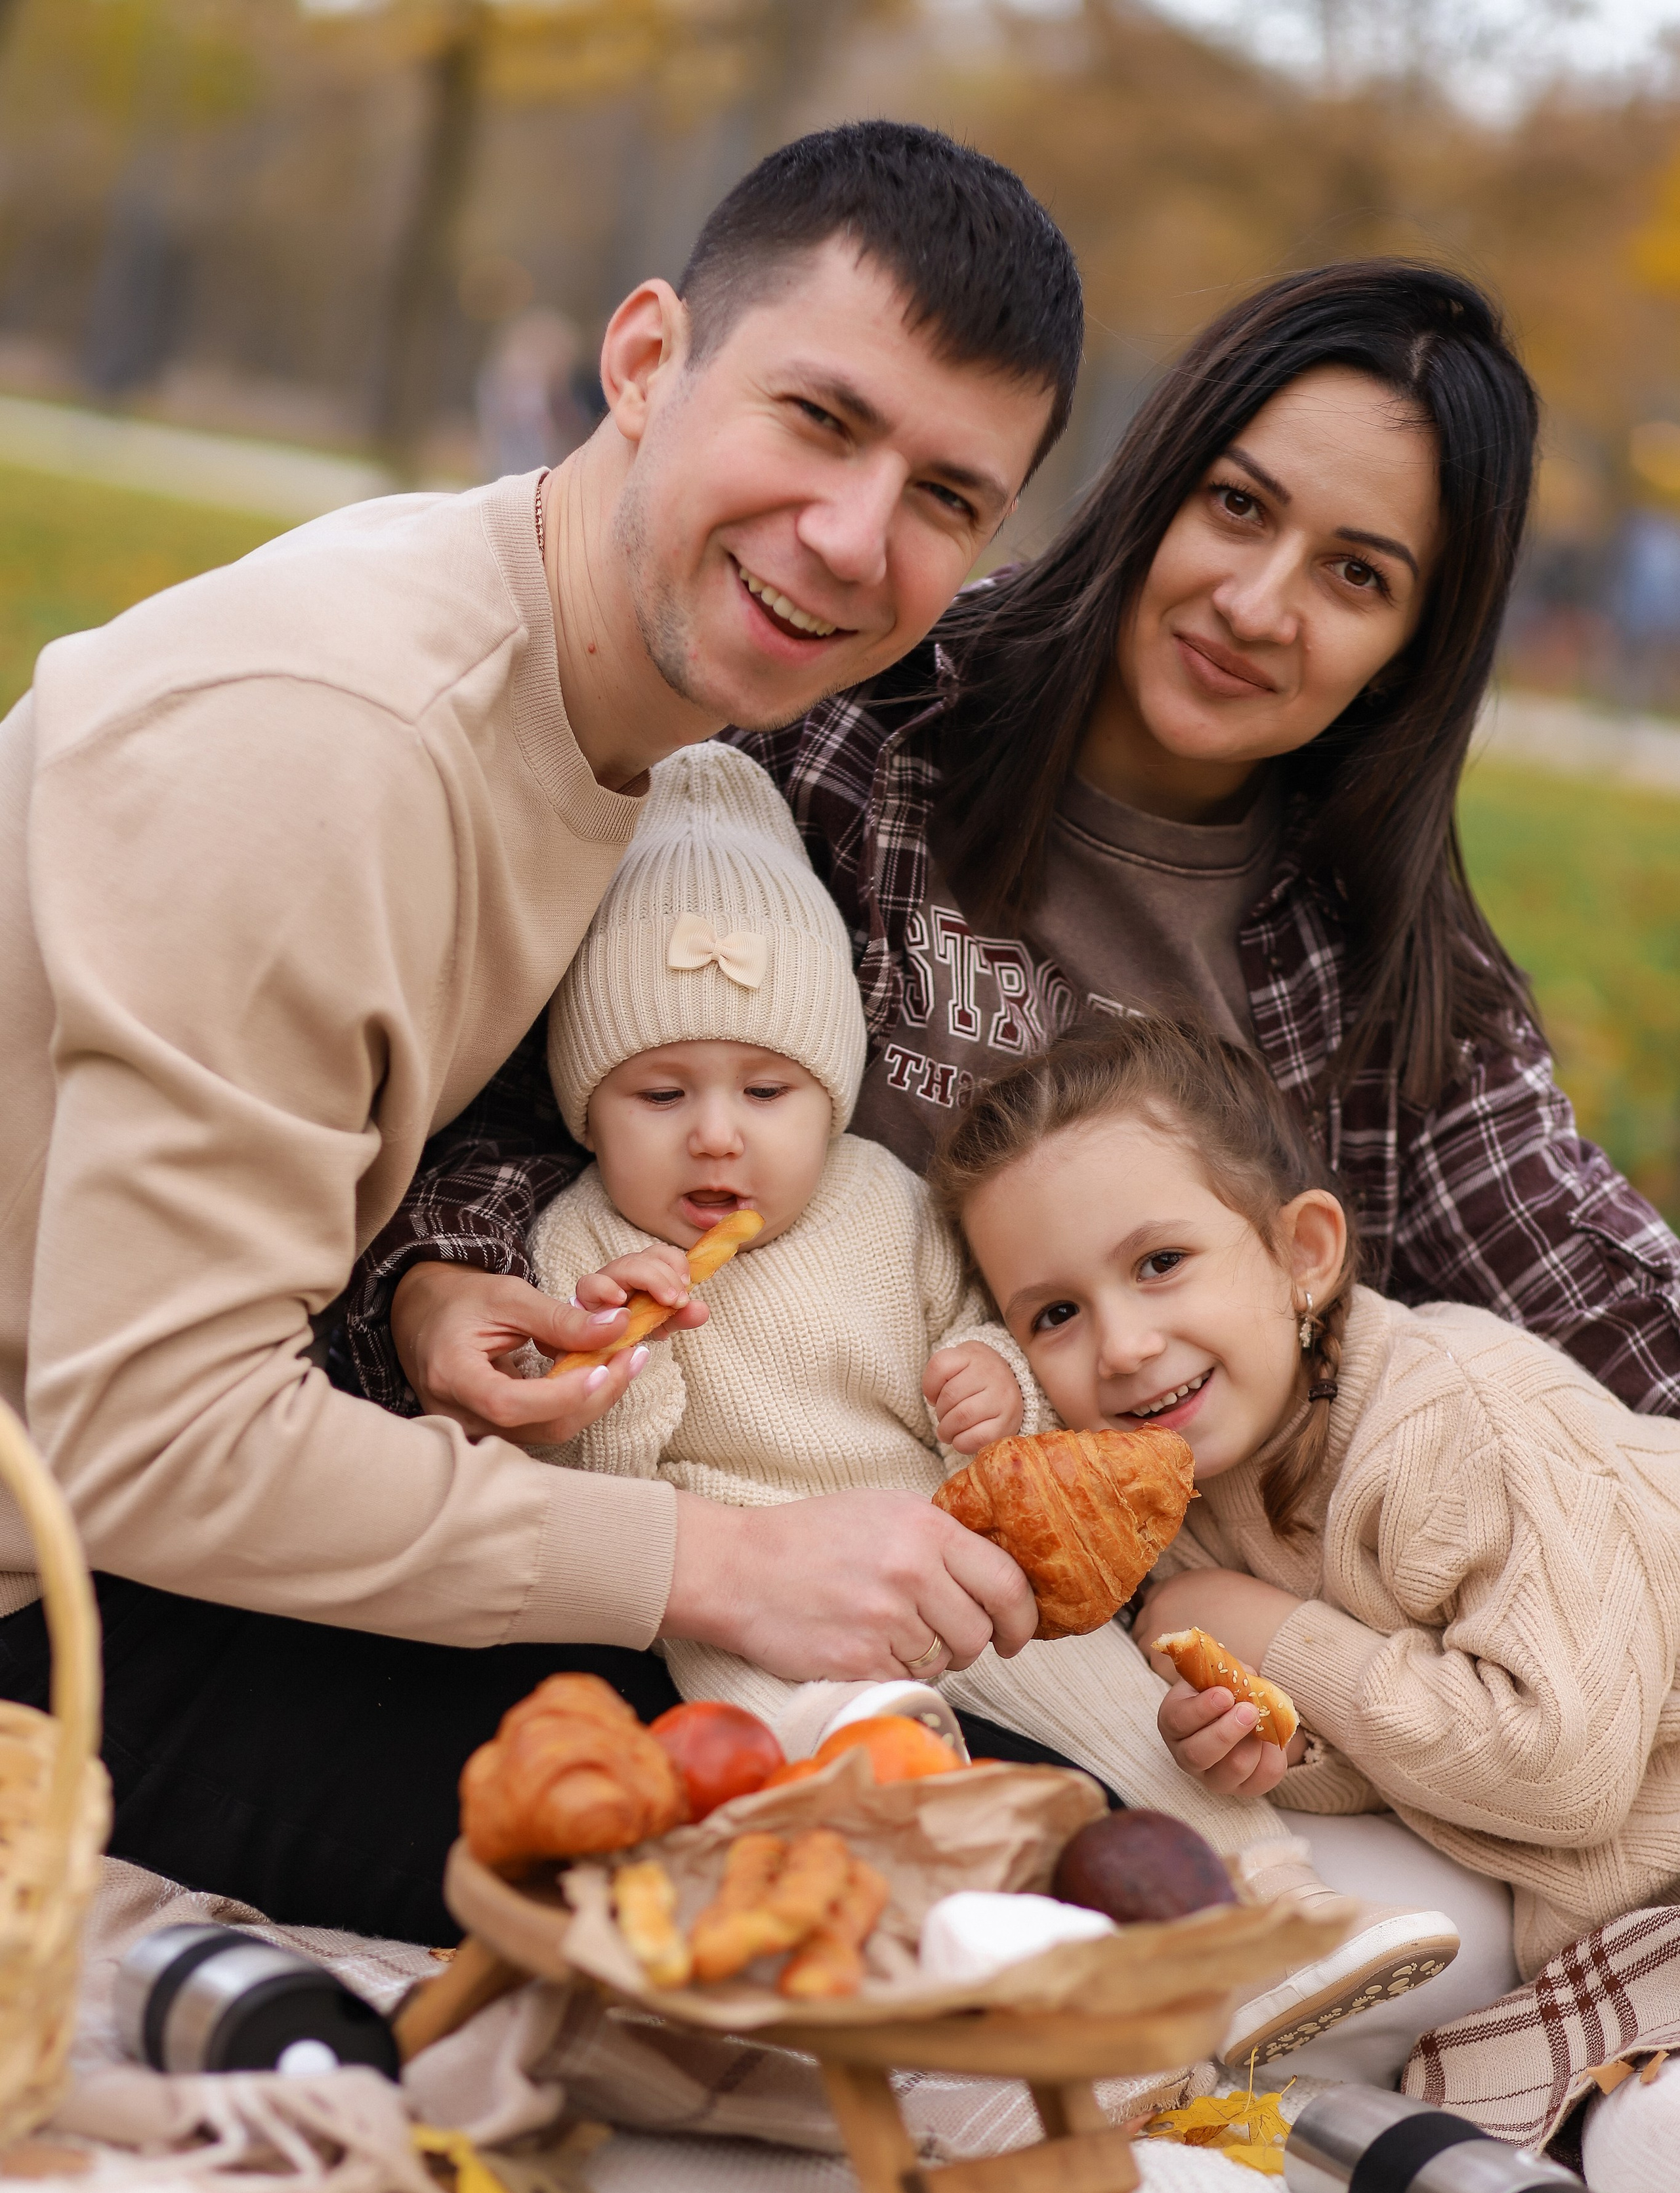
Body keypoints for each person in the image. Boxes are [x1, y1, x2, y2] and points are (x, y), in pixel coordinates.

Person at [0, 123, 1085, 1942]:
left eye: (947, 498)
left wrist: (426, 1298)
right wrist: (731, 1558)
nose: (851, 539)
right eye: (820, 419)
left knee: (986, 1824)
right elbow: (151, 1440)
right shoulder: (342, 738)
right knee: (828, 1894)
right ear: (647, 356)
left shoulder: (608, 725)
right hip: (49, 1600)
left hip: (101, 1522)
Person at [370, 259, 1680, 1463]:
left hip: (1113, 1643)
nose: (1253, 604)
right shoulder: (862, 721)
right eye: (1235, 506)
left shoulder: (1389, 970)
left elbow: (1598, 1298)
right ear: (1153, 480)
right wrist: (437, 1281)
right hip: (686, 1477)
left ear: (1411, 644)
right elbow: (513, 1079)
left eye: (1353, 575)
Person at [522, 740, 1465, 2069]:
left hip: (955, 1548)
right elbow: (607, 1483)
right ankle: (1002, 1966)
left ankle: (1281, 1916)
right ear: (586, 1106)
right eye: (660, 1094)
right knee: (849, 1755)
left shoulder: (873, 1198)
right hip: (758, 1601)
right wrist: (622, 1359)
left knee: (1116, 1705)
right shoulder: (582, 1247)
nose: (717, 1135)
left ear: (830, 1086)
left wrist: (994, 1382)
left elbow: (991, 1338)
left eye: (767, 1090)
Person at [929, 1015, 1680, 2084]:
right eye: (1056, 1312)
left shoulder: (1461, 1422)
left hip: (1635, 1845)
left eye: (1160, 1261)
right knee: (1239, 1923)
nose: (1125, 1345)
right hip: (1572, 1896)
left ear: (1303, 1255)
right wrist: (1277, 1745)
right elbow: (1416, 1756)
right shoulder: (1178, 1494)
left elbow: (1562, 1771)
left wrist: (1277, 1639)